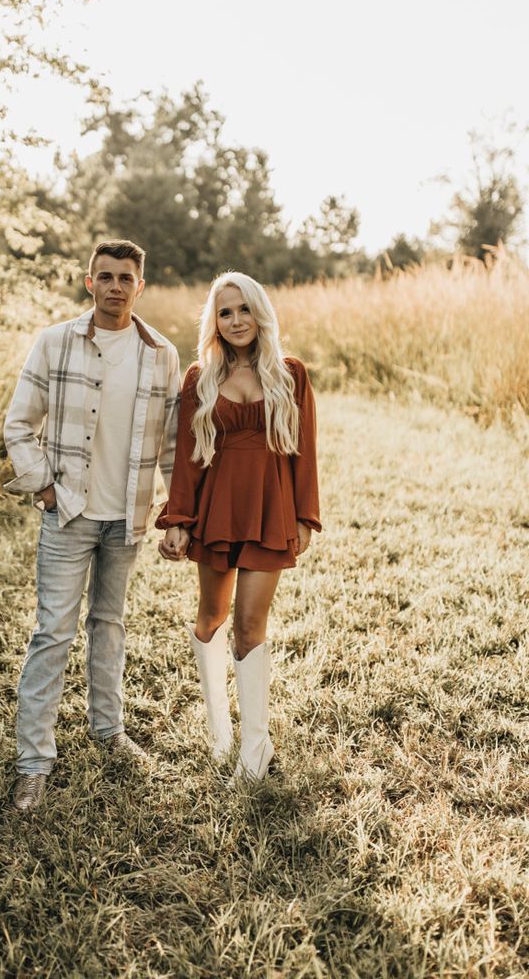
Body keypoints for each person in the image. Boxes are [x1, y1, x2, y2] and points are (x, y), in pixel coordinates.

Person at [4, 239, 180, 811]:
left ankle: (109, 731)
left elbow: (174, 445)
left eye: (125, 278)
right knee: (53, 632)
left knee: (110, 625)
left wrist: (175, 512)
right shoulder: (55, 343)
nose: (114, 286)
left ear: (140, 286)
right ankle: (34, 763)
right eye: (104, 276)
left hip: (126, 517)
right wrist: (46, 486)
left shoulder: (161, 354)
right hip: (70, 513)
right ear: (88, 281)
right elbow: (18, 425)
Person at [157, 271, 320, 782]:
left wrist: (303, 514)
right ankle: (219, 733)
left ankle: (255, 752)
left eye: (243, 309)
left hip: (270, 510)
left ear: (259, 313)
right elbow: (187, 458)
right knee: (211, 619)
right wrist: (178, 519)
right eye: (225, 312)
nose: (235, 321)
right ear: (215, 321)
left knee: (250, 626)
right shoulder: (199, 378)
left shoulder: (290, 373)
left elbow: (306, 451)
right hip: (216, 511)